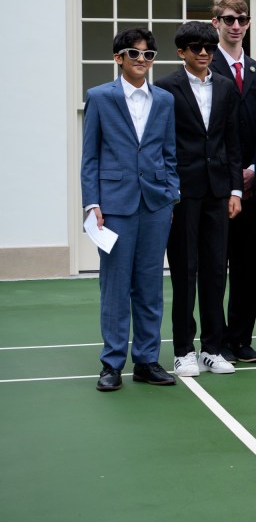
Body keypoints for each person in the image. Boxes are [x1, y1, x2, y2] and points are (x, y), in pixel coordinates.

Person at [82, 28, 180, 391]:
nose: (142, 61)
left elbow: (169, 154)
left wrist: (172, 195)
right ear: (118, 58)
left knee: (150, 285)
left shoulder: (165, 100)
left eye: (148, 55)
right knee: (115, 286)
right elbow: (90, 156)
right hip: (114, 206)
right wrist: (93, 204)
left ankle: (147, 360)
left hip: (156, 204)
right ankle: (111, 364)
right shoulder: (99, 97)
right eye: (134, 54)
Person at [157, 21, 242, 377]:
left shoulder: (225, 87)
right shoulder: (165, 89)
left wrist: (236, 189)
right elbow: (160, 143)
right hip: (182, 193)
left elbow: (232, 141)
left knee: (214, 271)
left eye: (208, 47)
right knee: (184, 271)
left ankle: (212, 348)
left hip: (219, 192)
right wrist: (169, 190)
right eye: (196, 48)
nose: (204, 53)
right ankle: (182, 350)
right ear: (182, 52)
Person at [210, 0, 256, 364]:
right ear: (216, 22)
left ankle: (242, 338)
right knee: (216, 268)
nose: (236, 26)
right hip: (216, 187)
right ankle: (215, 341)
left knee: (248, 268)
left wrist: (254, 171)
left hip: (251, 186)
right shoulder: (206, 65)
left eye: (242, 20)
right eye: (229, 19)